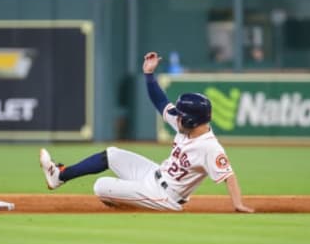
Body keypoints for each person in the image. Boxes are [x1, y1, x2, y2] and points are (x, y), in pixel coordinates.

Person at [40, 51, 254, 212]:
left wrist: (238, 205)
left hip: (164, 196)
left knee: (100, 185)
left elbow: (229, 176)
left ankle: (134, 204)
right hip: (153, 175)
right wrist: (149, 74)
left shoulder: (209, 147)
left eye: (180, 115)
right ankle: (59, 175)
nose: (175, 116)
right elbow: (160, 101)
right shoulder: (185, 124)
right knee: (112, 154)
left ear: (190, 120)